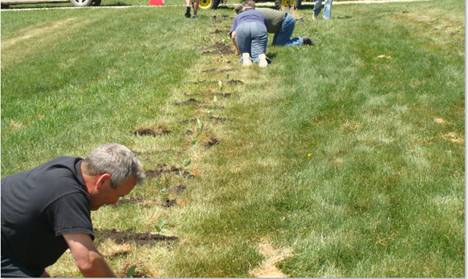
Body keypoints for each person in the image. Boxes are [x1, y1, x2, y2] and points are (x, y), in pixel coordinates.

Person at [1, 143, 145, 277]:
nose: (115, 202)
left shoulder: (70, 168)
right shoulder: (68, 194)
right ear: (103, 181)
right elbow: (87, 261)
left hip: (13, 253)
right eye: (119, 195)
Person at [230, 0, 269, 67]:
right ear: (254, 7)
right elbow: (264, 29)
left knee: (245, 52)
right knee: (258, 52)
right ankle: (261, 57)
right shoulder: (260, 14)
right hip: (258, 27)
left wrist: (237, 50)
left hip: (242, 27)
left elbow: (233, 35)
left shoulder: (238, 16)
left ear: (244, 7)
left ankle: (245, 57)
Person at [249, 7, 313, 47]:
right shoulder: (253, 12)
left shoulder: (254, 16)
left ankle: (303, 41)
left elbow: (260, 33)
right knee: (275, 46)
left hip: (286, 21)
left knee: (280, 46)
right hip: (281, 23)